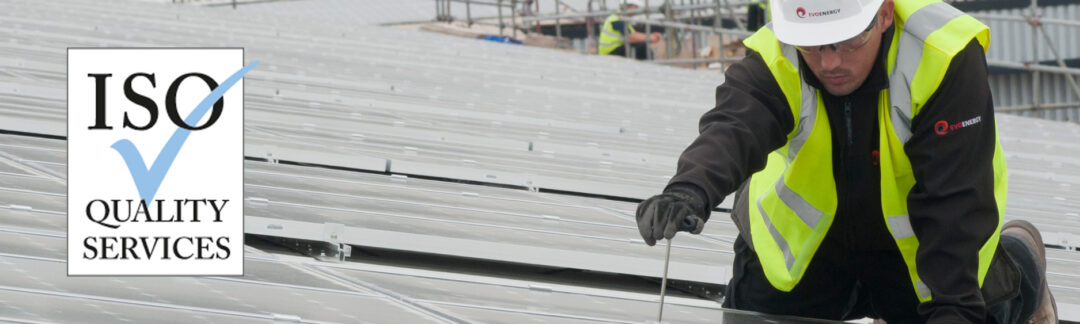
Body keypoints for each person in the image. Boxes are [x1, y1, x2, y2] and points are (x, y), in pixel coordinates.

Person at [634, 0, 1057, 322]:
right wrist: (690, 189)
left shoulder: (943, 57)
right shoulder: (777, 54)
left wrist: (953, 310)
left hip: (916, 254)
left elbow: (956, 206)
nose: (830, 61)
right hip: (809, 254)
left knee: (974, 308)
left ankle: (1022, 259)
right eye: (815, 46)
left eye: (847, 40)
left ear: (885, 14)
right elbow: (734, 127)